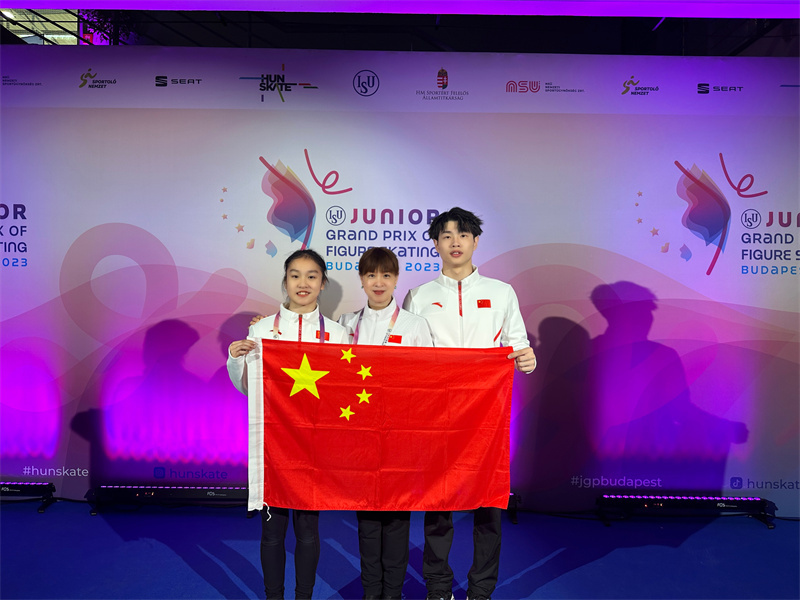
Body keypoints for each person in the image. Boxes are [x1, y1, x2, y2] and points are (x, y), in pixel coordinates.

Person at [402, 207, 536, 600]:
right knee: (438, 504)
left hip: (486, 414)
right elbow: (406, 355)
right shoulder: (419, 296)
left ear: (476, 241)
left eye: (462, 235)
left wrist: (527, 359)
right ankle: (438, 587)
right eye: (446, 235)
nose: (455, 242)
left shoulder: (501, 292)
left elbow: (517, 345)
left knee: (488, 505)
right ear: (435, 244)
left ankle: (481, 590)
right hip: (437, 414)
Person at [227, 248, 349, 600]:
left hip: (313, 446)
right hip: (273, 445)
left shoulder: (338, 335)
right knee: (272, 532)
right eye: (295, 275)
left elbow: (342, 393)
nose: (303, 283)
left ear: (323, 283)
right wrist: (235, 360)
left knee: (308, 531)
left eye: (312, 276)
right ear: (285, 281)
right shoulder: (262, 329)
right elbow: (248, 388)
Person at [337, 247, 433, 600]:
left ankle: (392, 594)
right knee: (366, 520)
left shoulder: (414, 325)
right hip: (359, 435)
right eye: (371, 275)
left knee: (396, 520)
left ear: (396, 280)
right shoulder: (345, 325)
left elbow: (428, 382)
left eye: (386, 275)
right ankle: (370, 593)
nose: (379, 282)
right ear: (361, 279)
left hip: (400, 436)